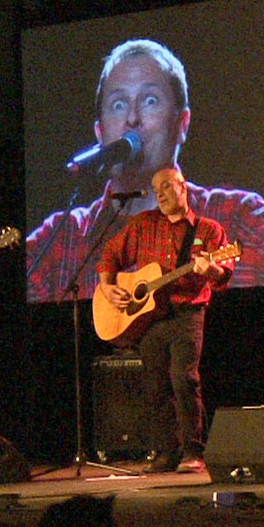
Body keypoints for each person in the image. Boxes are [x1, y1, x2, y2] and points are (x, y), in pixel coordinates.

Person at [26, 38, 264, 302]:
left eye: (150, 100)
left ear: (182, 124)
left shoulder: (236, 215)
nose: (132, 118)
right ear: (100, 132)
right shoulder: (64, 236)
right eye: (118, 104)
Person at [97, 167, 234, 473]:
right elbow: (110, 254)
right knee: (155, 385)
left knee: (183, 380)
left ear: (184, 188)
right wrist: (107, 287)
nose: (160, 193)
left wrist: (210, 269)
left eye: (167, 187)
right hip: (150, 319)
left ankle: (193, 452)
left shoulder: (208, 230)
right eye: (156, 189)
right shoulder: (143, 224)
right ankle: (166, 452)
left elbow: (223, 277)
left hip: (187, 314)